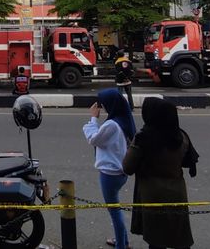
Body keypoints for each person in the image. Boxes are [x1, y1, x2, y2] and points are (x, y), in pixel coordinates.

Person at [123, 98, 198, 249]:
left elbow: (127, 167)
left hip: (152, 195)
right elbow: (187, 161)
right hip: (177, 192)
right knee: (180, 235)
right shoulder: (181, 136)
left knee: (156, 240)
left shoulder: (143, 138)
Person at [82, 88, 136, 249]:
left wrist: (93, 119)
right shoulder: (124, 119)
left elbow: (94, 139)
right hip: (120, 171)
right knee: (115, 208)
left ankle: (122, 244)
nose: (102, 107)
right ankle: (122, 240)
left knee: (114, 210)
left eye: (103, 104)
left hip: (110, 173)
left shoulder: (112, 125)